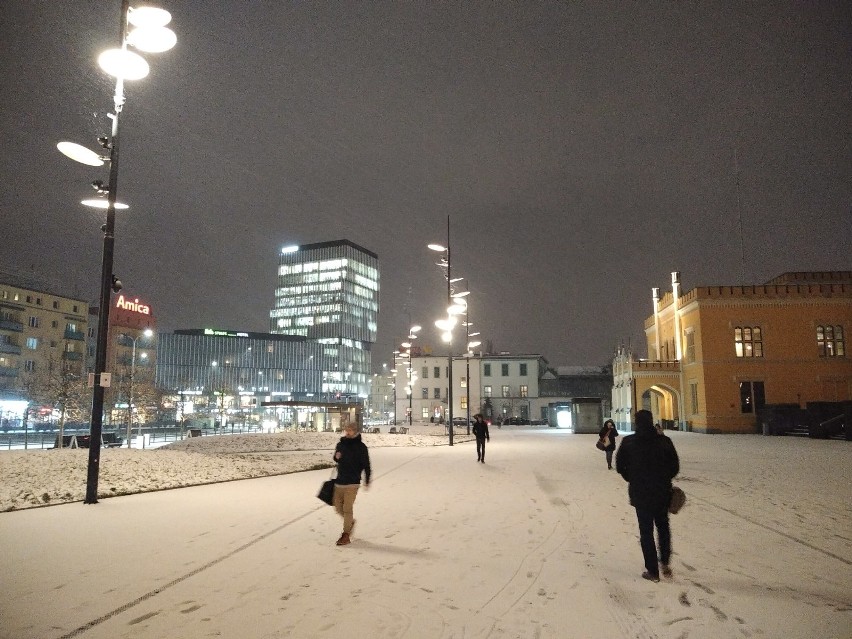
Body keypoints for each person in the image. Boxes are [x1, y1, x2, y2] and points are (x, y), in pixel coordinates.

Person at [615, 409, 680, 582]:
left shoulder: (629, 442)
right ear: (651, 421)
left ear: (636, 422)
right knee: (663, 527)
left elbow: (620, 465)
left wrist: (632, 478)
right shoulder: (664, 441)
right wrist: (665, 478)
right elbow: (675, 466)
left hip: (640, 493)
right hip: (662, 492)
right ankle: (664, 561)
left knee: (646, 531)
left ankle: (652, 571)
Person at [332, 418, 371, 546]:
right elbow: (336, 458)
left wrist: (367, 479)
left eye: (350, 430)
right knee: (338, 508)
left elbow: (366, 464)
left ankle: (345, 535)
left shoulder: (361, 447)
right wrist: (336, 457)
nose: (347, 432)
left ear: (355, 431)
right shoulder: (341, 444)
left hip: (352, 483)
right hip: (339, 481)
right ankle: (350, 522)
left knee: (347, 509)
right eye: (346, 429)